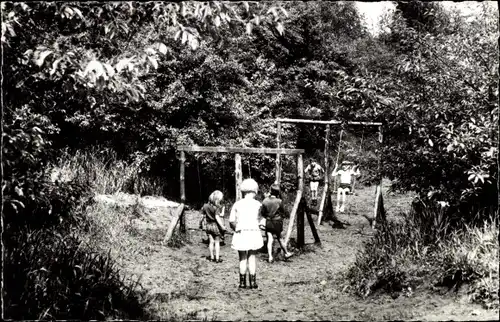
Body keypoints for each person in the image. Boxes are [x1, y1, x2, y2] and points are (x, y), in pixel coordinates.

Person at [229, 178, 264, 289]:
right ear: (254, 191)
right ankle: (253, 283)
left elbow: (231, 220)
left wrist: (236, 229)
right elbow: (261, 220)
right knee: (252, 257)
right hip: (253, 232)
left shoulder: (237, 204)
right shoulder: (258, 204)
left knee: (242, 258)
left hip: (241, 233)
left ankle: (242, 282)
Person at [260, 184, 294, 263]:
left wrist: (267, 217)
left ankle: (270, 257)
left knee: (269, 239)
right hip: (277, 222)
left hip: (269, 222)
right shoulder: (279, 201)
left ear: (270, 191)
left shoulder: (265, 201)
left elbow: (262, 213)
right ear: (278, 193)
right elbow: (283, 212)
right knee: (280, 238)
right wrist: (281, 217)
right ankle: (286, 253)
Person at [201, 190, 227, 262]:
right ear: (217, 199)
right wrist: (222, 226)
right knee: (217, 242)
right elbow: (217, 217)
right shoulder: (216, 207)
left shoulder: (205, 206)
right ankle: (217, 258)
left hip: (208, 226)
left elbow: (203, 216)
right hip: (215, 226)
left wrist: (201, 223)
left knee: (211, 242)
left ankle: (212, 257)